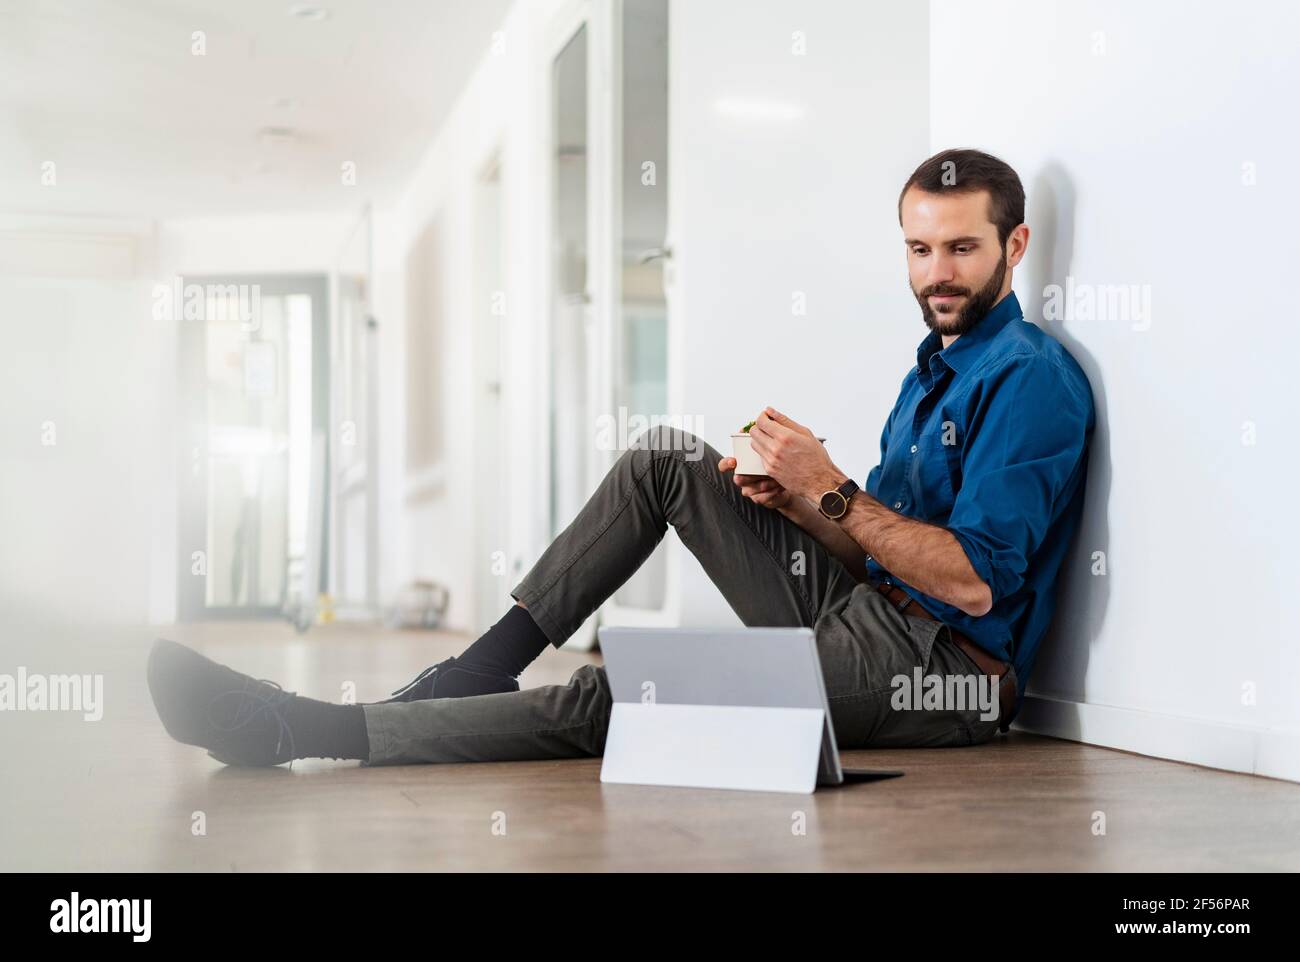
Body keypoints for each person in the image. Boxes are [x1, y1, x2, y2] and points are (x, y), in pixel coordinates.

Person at [148, 148, 1095, 767]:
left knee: (625, 690)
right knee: (664, 460)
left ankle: (308, 730)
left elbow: (972, 585)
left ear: (1012, 245)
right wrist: (800, 503)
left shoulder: (1031, 379)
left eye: (961, 249)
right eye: (920, 249)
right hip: (869, 610)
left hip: (949, 671)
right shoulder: (931, 369)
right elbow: (870, 549)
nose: (937, 273)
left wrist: (832, 489)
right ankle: (477, 670)